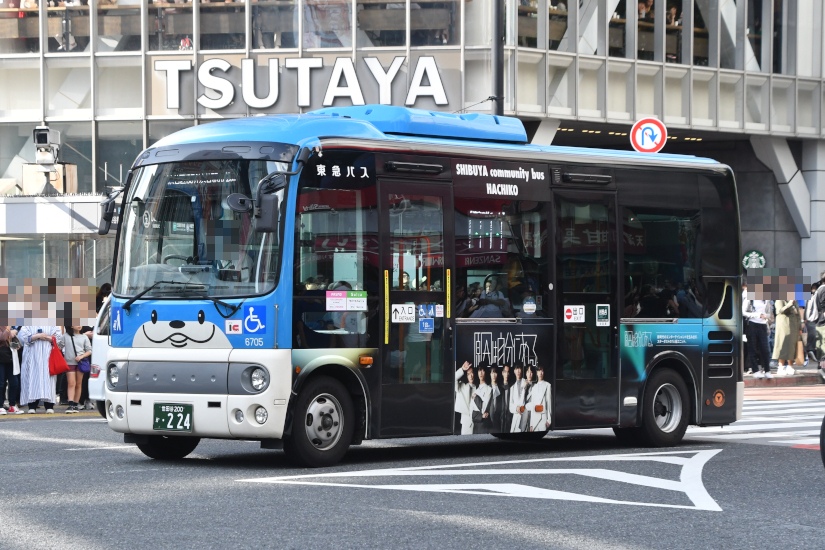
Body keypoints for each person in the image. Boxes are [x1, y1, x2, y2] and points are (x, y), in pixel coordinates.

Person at [18, 326, 62, 413]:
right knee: (32, 379)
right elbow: (22, 337)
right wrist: (37, 336)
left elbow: (59, 338)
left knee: (49, 379)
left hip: (48, 354)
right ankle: (32, 406)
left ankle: (49, 406)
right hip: (32, 355)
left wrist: (45, 337)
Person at [62, 324, 92, 413]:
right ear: (71, 325)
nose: (79, 325)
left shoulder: (84, 337)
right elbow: (59, 345)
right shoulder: (66, 336)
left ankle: (75, 404)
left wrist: (81, 356)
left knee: (79, 384)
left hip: (81, 363)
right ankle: (71, 404)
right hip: (69, 362)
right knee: (71, 383)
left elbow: (89, 350)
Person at [743, 296, 773, 379]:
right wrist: (756, 315)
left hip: (763, 325)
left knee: (765, 349)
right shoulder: (750, 299)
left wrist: (765, 316)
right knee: (752, 348)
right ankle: (755, 370)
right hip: (752, 324)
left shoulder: (766, 300)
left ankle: (767, 370)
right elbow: (743, 312)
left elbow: (769, 314)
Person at [0, 326, 23, 414]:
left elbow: (16, 344)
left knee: (14, 383)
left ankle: (12, 405)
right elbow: (2, 338)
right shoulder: (8, 328)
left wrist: (16, 345)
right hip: (1, 358)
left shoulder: (10, 328)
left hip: (11, 358)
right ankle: (0, 405)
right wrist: (9, 330)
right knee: (1, 383)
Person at [526, 365, 551, 432]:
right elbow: (533, 404)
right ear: (536, 373)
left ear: (543, 372)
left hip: (543, 417)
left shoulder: (547, 385)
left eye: (541, 371)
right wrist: (531, 424)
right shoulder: (534, 387)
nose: (540, 373)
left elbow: (549, 403)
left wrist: (549, 419)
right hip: (535, 418)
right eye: (538, 371)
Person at [454, 361, 476, 435]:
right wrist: (462, 369)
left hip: (477, 423)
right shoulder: (461, 387)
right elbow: (454, 378)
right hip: (466, 422)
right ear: (466, 376)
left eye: (472, 373)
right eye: (468, 374)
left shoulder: (479, 388)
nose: (471, 376)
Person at [508, 363, 529, 432]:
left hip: (525, 417)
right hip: (516, 419)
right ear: (514, 371)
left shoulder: (527, 382)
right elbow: (510, 407)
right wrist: (517, 409)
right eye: (516, 369)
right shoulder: (512, 388)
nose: (518, 371)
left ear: (522, 370)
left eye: (519, 368)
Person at [472, 367, 493, 433]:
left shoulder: (489, 389)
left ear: (486, 373)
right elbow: (472, 414)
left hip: (484, 426)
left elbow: (483, 409)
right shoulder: (475, 390)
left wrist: (476, 398)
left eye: (483, 371)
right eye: (479, 370)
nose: (481, 373)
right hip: (475, 427)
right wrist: (480, 415)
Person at [805, 282, 820, 363]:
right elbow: (807, 309)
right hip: (811, 319)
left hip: (815, 319)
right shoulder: (810, 298)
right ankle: (810, 350)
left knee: (815, 335)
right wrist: (804, 319)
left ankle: (811, 351)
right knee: (812, 335)